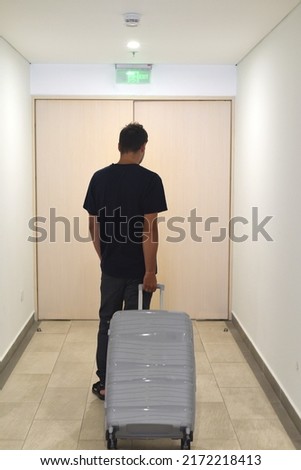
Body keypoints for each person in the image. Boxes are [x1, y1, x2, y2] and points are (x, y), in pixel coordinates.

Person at [83, 122, 167, 400]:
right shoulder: (151, 180)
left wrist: (104, 258)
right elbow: (149, 231)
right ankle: (131, 380)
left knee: (107, 322)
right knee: (136, 325)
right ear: (143, 148)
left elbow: (93, 228)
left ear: (119, 146)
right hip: (138, 272)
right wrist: (150, 272)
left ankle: (106, 383)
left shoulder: (98, 178)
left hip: (111, 269)